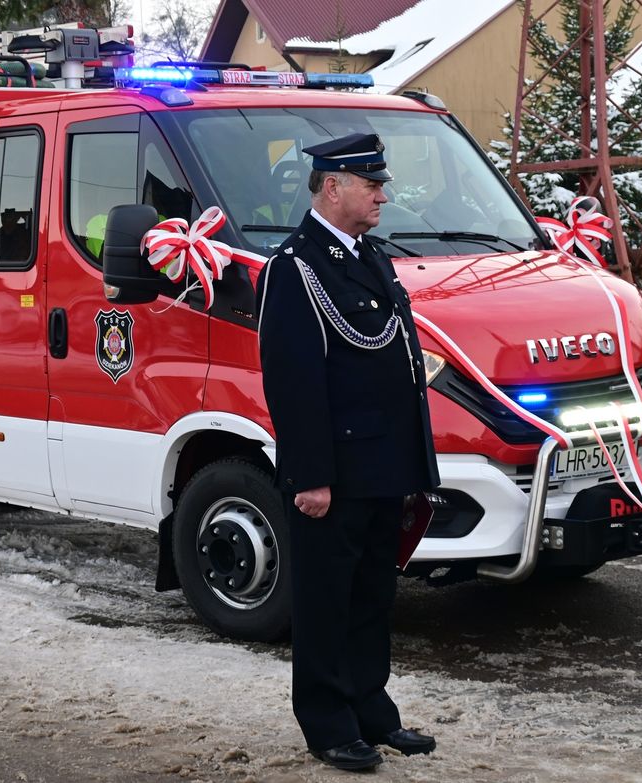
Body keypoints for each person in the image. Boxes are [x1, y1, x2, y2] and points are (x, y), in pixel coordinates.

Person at [255, 132, 441, 772]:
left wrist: (414, 463)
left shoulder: (369, 258)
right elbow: (293, 380)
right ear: (332, 187)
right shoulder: (295, 267)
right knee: (325, 600)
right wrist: (309, 474)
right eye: (372, 185)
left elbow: (400, 365)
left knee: (370, 597)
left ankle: (370, 710)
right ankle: (329, 723)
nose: (383, 196)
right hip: (334, 471)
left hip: (382, 466)